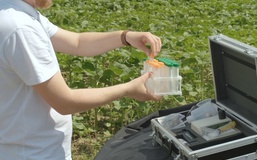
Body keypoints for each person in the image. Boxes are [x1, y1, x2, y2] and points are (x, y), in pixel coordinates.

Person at [0, 0, 162, 159]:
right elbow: (64, 102)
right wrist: (129, 89)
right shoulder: (21, 29)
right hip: (33, 153)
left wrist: (125, 37)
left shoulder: (16, 11)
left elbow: (77, 43)